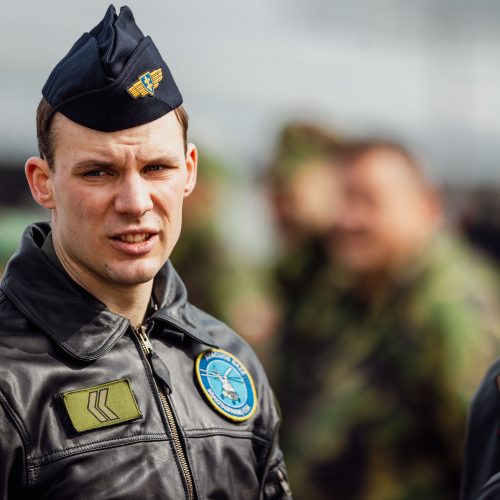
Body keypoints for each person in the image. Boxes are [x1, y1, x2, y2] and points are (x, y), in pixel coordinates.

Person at [0, 6, 291, 499]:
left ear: (190, 171)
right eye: (99, 173)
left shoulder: (229, 360)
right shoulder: (10, 381)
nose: (136, 203)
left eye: (157, 168)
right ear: (43, 183)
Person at [280, 140, 500, 499]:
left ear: (427, 207)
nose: (346, 219)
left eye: (367, 201)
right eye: (343, 199)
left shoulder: (448, 308)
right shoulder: (360, 292)